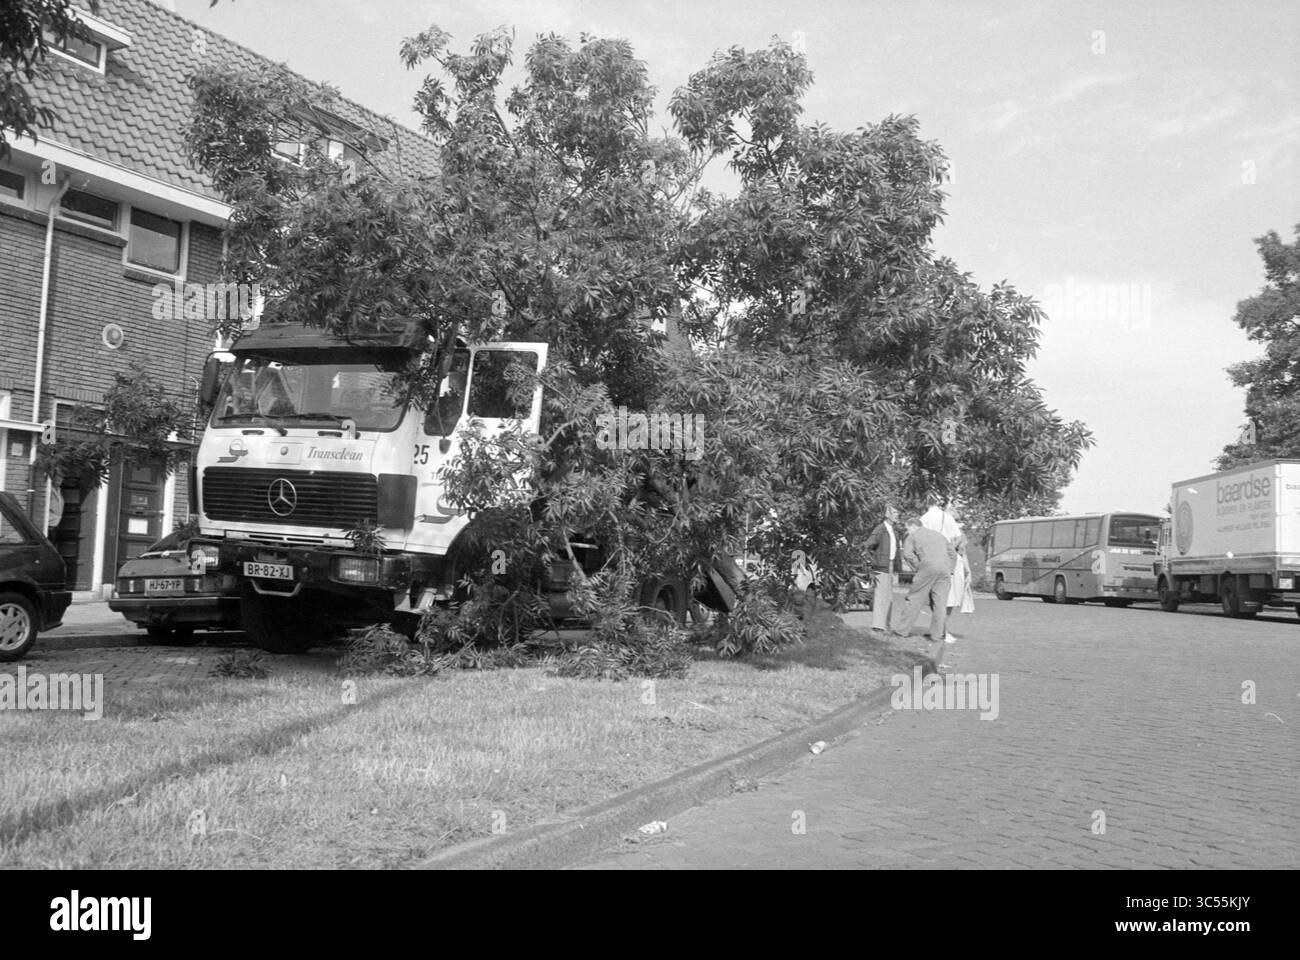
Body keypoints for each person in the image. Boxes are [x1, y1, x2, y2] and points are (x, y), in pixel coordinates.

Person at [892, 516, 958, 670]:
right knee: (940, 603)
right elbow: (953, 555)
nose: (907, 531)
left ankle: (902, 631)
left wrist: (919, 566)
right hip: (944, 570)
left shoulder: (912, 536)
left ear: (912, 526)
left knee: (914, 599)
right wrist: (950, 569)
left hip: (927, 568)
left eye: (907, 528)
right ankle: (937, 635)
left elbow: (908, 555)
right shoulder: (939, 535)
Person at [864, 504, 901, 635]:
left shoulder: (894, 531)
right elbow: (867, 545)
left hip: (890, 566)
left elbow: (896, 551)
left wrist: (897, 567)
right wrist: (872, 561)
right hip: (881, 567)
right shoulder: (880, 529)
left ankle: (886, 625)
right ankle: (878, 626)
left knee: (889, 598)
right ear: (887, 514)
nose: (897, 515)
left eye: (897, 513)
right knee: (880, 597)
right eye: (895, 513)